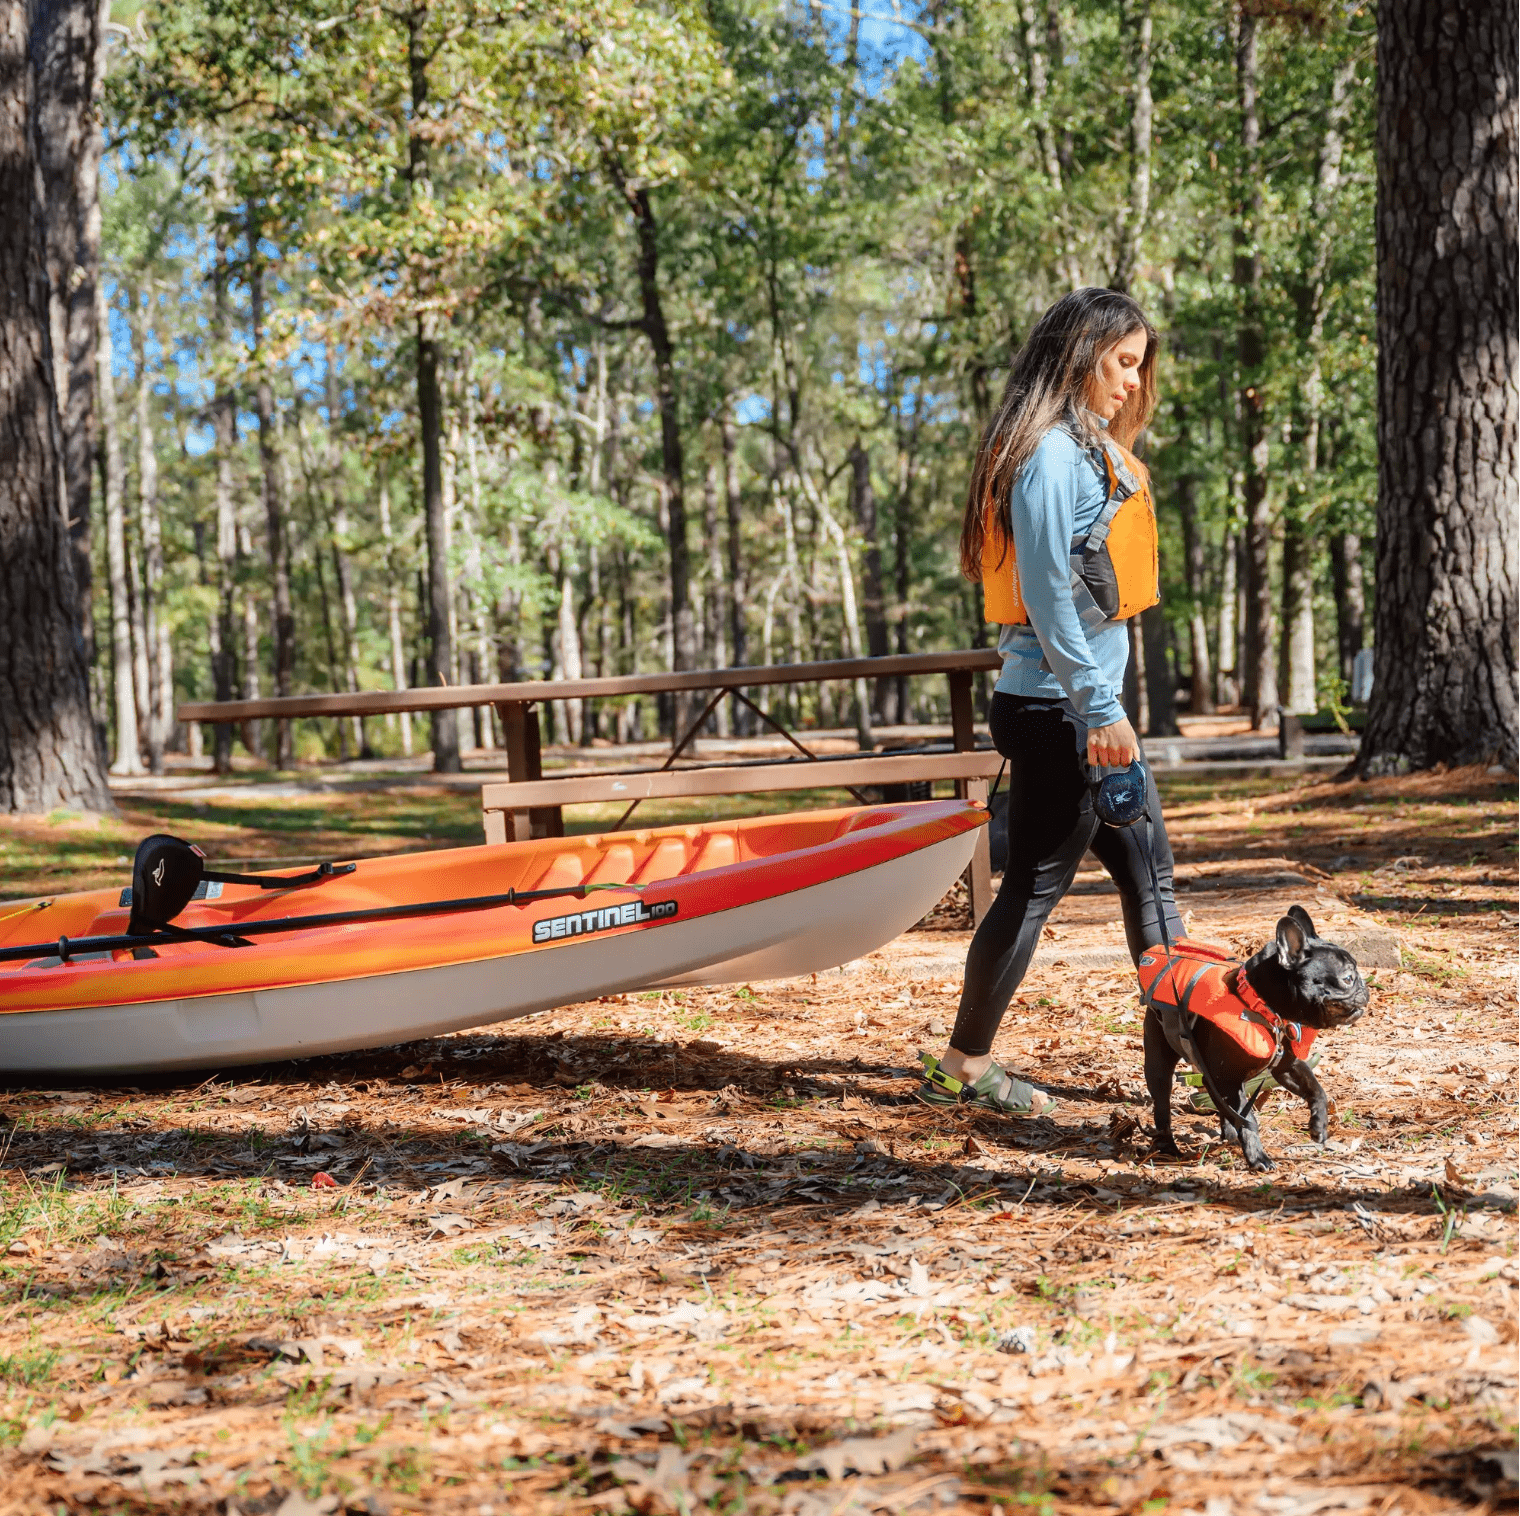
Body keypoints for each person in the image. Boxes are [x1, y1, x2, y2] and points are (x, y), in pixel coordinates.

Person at [918, 287, 1185, 1116]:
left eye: (1141, 367)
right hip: (1061, 714)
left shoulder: (1082, 448)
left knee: (1151, 877)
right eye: (1124, 364)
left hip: (1070, 709)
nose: (1135, 385)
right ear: (1082, 356)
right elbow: (1048, 595)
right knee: (1037, 885)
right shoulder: (1051, 458)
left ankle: (1192, 1057)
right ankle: (964, 1064)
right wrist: (1101, 710)